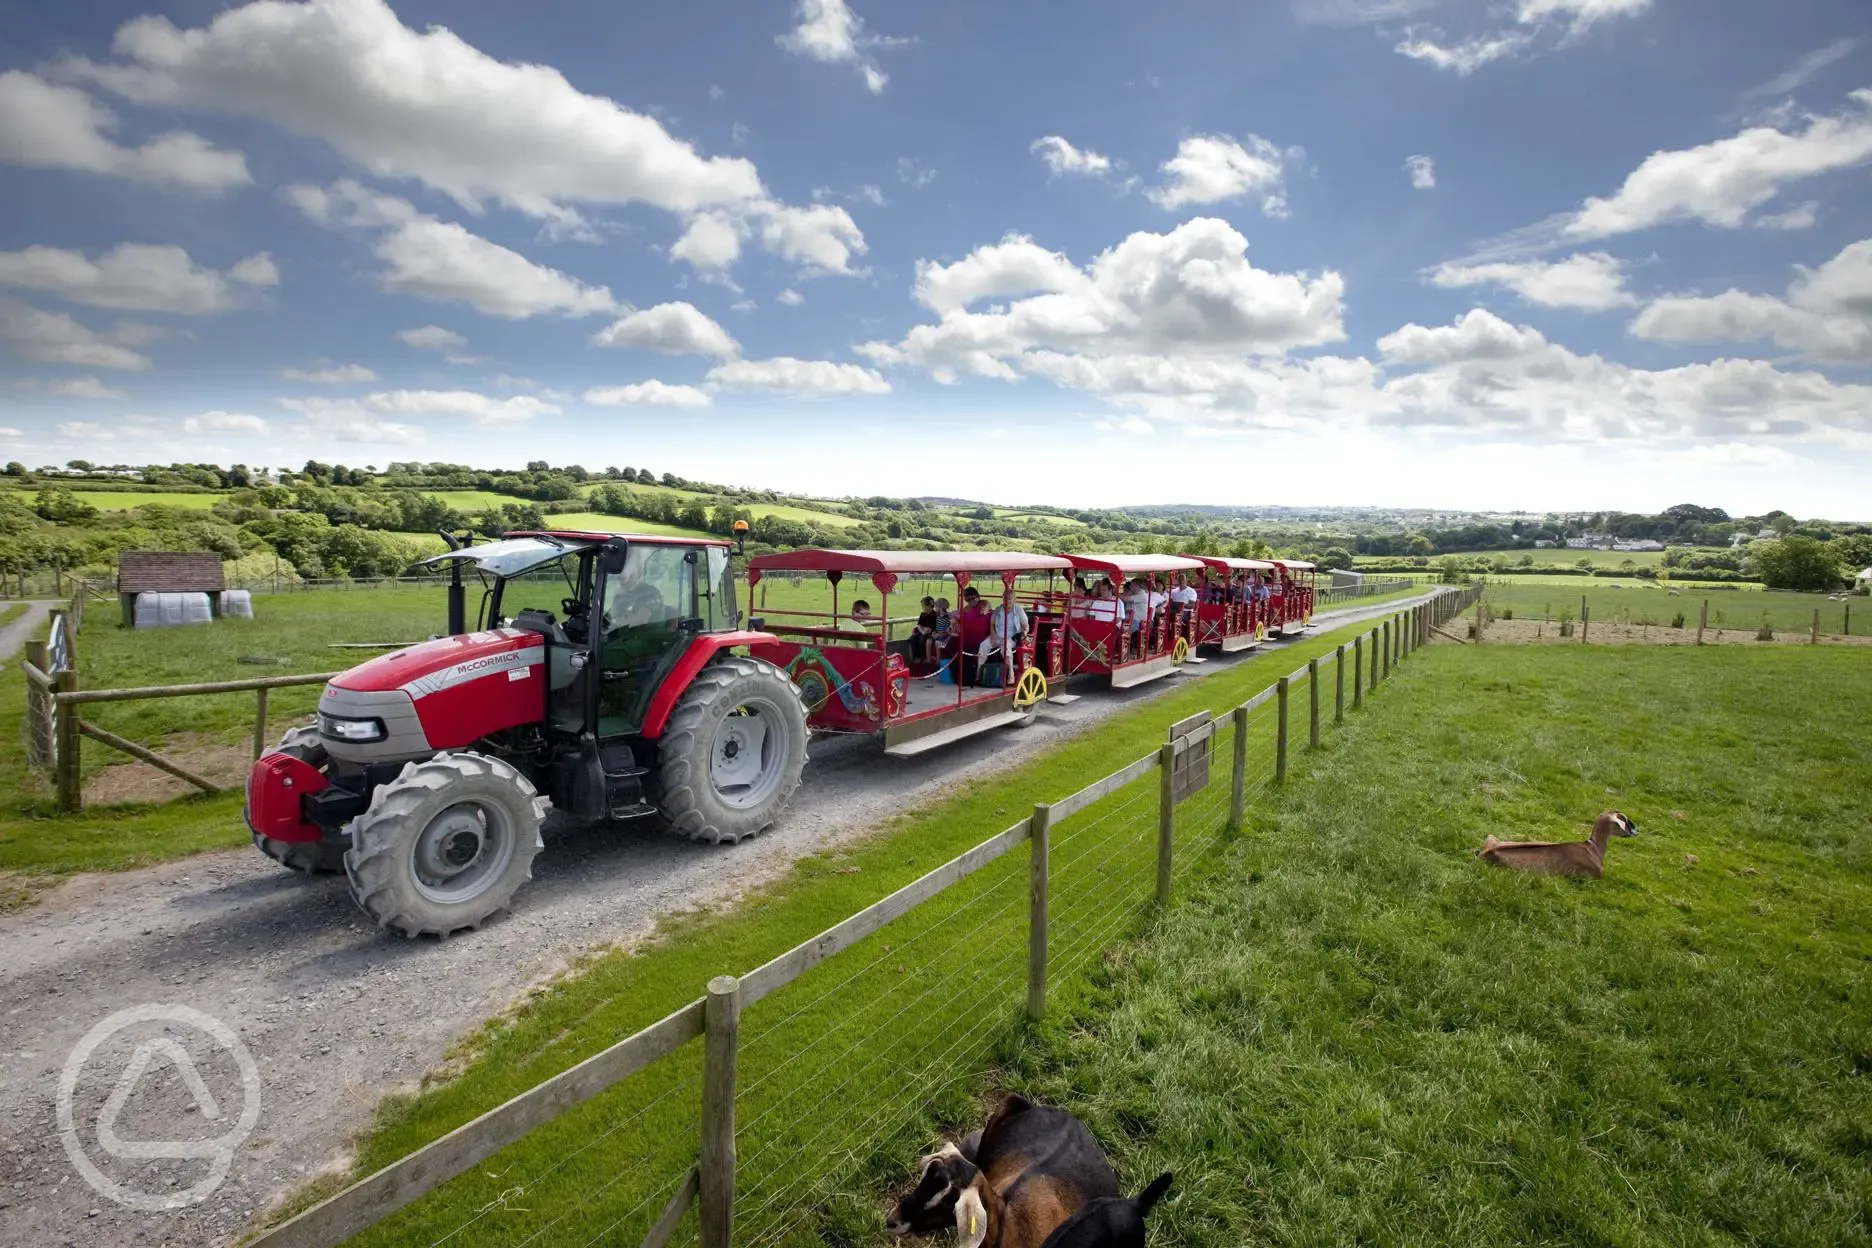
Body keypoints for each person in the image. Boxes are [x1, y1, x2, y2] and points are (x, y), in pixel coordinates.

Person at [979, 588, 1028, 685]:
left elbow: (1025, 625)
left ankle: (1011, 673)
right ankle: (979, 672)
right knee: (983, 645)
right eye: (1005, 598)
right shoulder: (998, 609)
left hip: (1012, 637)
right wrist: (992, 635)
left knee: (1005, 646)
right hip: (998, 635)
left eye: (1010, 599)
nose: (1007, 601)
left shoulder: (1018, 610)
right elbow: (992, 623)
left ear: (1014, 600)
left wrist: (1025, 633)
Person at [910, 595, 938, 664]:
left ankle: (923, 657)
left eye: (923, 606)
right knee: (912, 638)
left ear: (928, 606)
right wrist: (922, 630)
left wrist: (922, 629)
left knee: (922, 639)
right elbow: (919, 625)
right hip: (922, 632)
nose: (922, 608)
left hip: (931, 634)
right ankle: (916, 657)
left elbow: (929, 629)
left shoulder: (934, 615)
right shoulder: (923, 614)